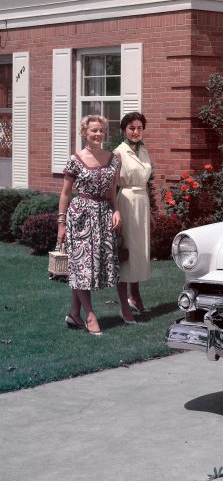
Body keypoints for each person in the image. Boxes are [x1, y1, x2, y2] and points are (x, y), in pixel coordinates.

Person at [57, 115, 123, 335]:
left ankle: (74, 313)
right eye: (93, 130)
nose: (98, 134)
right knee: (81, 265)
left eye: (101, 130)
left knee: (86, 268)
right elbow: (65, 193)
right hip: (80, 216)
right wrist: (61, 224)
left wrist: (116, 210)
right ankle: (90, 315)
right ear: (84, 132)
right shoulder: (75, 159)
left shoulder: (114, 158)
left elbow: (111, 190)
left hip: (103, 215)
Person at [114, 112, 153, 316]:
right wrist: (115, 211)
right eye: (131, 128)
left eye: (139, 128)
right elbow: (112, 186)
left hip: (142, 202)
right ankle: (123, 305)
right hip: (126, 202)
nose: (136, 132)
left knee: (138, 252)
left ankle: (135, 297)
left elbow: (146, 181)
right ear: (124, 130)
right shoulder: (119, 153)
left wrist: (151, 212)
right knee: (125, 252)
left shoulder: (143, 151)